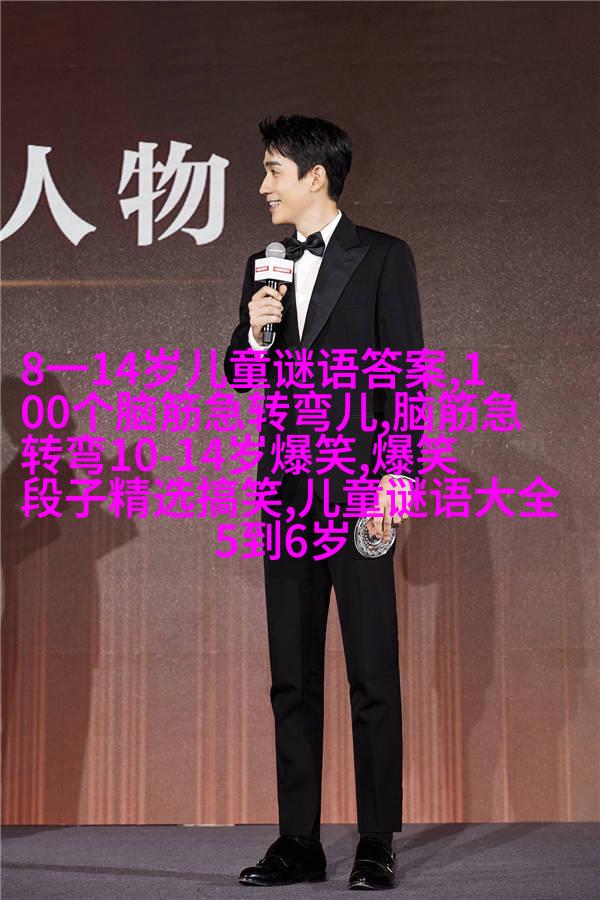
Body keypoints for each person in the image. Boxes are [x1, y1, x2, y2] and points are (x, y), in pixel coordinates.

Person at [223, 114, 425, 890]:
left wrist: (397, 477)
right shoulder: (263, 266)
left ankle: (376, 839)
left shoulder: (384, 257)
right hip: (286, 493)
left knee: (371, 669)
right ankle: (297, 841)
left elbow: (407, 377)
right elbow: (242, 379)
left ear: (315, 176)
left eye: (272, 170)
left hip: (362, 487)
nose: (262, 185)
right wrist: (254, 333)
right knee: (292, 675)